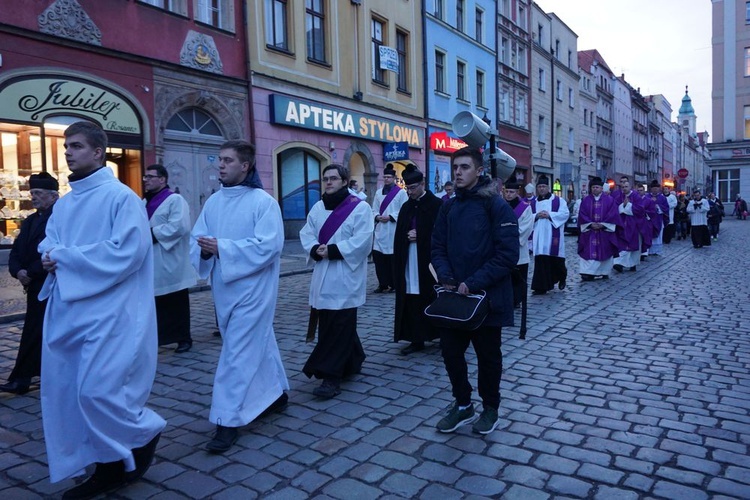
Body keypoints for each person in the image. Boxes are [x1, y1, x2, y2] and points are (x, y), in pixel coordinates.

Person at [37, 121, 165, 497]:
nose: (68, 152)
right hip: (69, 311)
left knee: (97, 392)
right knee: (72, 390)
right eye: (66, 146)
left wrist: (62, 257)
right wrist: (48, 257)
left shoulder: (121, 198)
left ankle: (130, 446)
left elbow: (127, 252)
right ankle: (105, 457)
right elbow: (51, 242)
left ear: (97, 152)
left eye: (76, 146)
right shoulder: (66, 203)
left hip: (112, 312)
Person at [191, 139, 289, 454]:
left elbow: (270, 245)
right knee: (258, 342)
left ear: (245, 166)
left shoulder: (263, 202)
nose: (220, 165)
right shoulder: (214, 202)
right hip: (224, 286)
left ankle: (227, 419)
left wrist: (224, 248)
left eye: (228, 160)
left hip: (255, 289)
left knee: (236, 351)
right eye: (219, 159)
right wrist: (205, 249)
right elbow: (198, 237)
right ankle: (275, 394)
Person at [431, 147, 518, 435]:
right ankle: (463, 404)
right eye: (455, 167)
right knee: (451, 353)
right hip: (454, 298)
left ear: (479, 171)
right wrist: (445, 276)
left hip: (486, 299)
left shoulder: (496, 205)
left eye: (464, 167)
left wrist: (475, 282)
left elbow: (507, 254)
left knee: (488, 358)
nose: (458, 172)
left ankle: (490, 408)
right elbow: (437, 246)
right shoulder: (449, 206)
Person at [300, 164, 373, 399]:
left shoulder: (359, 208)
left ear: (344, 181)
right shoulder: (318, 207)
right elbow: (306, 232)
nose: (328, 182)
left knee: (339, 323)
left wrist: (331, 250)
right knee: (334, 323)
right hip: (323, 274)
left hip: (345, 276)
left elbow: (363, 240)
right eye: (325, 179)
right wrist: (313, 248)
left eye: (333, 178)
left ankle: (331, 377)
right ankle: (354, 359)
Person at [1, 173, 59, 395]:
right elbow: (16, 251)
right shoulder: (30, 220)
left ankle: (22, 378)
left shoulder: (58, 219)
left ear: (53, 196)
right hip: (33, 284)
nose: (33, 197)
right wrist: (18, 271)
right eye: (32, 193)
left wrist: (31, 272)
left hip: (49, 284)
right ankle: (26, 377)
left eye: (38, 193)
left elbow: (53, 249)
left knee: (40, 332)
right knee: (35, 331)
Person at [143, 164, 196, 353]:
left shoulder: (175, 200)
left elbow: (180, 226)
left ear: (163, 179)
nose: (146, 180)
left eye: (150, 176)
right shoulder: (145, 201)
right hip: (153, 261)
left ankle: (183, 338)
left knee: (176, 301)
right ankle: (160, 338)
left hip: (171, 259)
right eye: (145, 177)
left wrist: (151, 234)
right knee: (157, 303)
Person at [392, 164, 442, 355]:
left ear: (423, 184)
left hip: (428, 261)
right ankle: (416, 337)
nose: (410, 192)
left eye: (413, 188)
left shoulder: (436, 205)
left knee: (432, 296)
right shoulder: (406, 206)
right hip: (409, 259)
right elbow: (399, 234)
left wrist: (420, 235)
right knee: (412, 297)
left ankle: (440, 335)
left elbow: (441, 233)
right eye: (407, 188)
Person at [529, 175, 569, 295]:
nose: (542, 189)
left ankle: (562, 277)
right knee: (541, 260)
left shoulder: (558, 201)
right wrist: (536, 216)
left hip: (553, 235)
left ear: (548, 187)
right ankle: (541, 286)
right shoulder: (532, 203)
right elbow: (527, 217)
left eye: (544, 186)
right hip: (539, 236)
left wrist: (550, 215)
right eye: (539, 186)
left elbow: (565, 214)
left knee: (556, 260)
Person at [371, 164, 407, 293]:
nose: (386, 179)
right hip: (380, 230)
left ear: (394, 178)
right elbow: (374, 208)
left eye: (389, 177)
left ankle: (394, 284)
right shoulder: (378, 192)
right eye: (385, 177)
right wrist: (377, 216)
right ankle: (383, 283)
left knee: (392, 260)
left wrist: (391, 216)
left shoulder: (401, 193)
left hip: (393, 229)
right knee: (379, 259)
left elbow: (404, 210)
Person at [577, 177, 620, 281]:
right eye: (593, 187)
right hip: (589, 232)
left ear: (601, 188)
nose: (595, 189)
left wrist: (603, 224)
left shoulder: (609, 200)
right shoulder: (586, 200)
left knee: (604, 251)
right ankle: (587, 272)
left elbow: (613, 214)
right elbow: (582, 214)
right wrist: (590, 224)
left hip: (604, 232)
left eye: (597, 187)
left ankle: (603, 271)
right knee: (588, 251)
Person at [502, 178, 533, 307]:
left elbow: (527, 227)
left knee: (519, 276)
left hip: (518, 248)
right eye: (506, 191)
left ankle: (517, 300)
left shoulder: (525, 208)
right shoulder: (500, 205)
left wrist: (508, 236)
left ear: (517, 192)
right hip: (502, 247)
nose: (508, 194)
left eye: (511, 192)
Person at [613, 178, 644, 273]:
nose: (624, 188)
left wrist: (628, 205)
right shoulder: (619, 197)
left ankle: (632, 264)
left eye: (626, 186)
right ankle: (619, 264)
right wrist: (623, 205)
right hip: (622, 223)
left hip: (633, 224)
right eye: (622, 187)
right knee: (622, 243)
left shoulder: (636, 196)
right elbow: (615, 208)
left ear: (630, 187)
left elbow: (640, 209)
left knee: (632, 245)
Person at [645, 180, 669, 256]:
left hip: (658, 219)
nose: (655, 189)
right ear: (651, 189)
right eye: (653, 188)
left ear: (659, 189)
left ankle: (656, 251)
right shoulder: (647, 197)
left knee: (658, 236)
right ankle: (648, 250)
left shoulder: (662, 198)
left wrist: (658, 206)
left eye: (656, 188)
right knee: (648, 234)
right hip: (649, 220)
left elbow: (666, 208)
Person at [634, 183, 655, 260]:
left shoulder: (649, 201)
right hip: (636, 222)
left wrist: (644, 212)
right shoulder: (634, 200)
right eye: (638, 190)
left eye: (641, 190)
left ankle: (644, 253)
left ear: (644, 191)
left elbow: (652, 211)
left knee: (645, 236)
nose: (639, 192)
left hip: (645, 221)